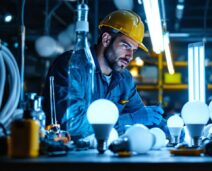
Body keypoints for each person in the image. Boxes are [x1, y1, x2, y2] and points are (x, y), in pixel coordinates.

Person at [42, 10, 170, 141]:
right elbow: (71, 123)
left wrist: (165, 126)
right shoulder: (72, 66)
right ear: (106, 39)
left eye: (133, 50)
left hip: (105, 154)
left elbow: (139, 112)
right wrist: (127, 119)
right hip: (68, 154)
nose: (130, 56)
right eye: (126, 46)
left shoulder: (124, 79)